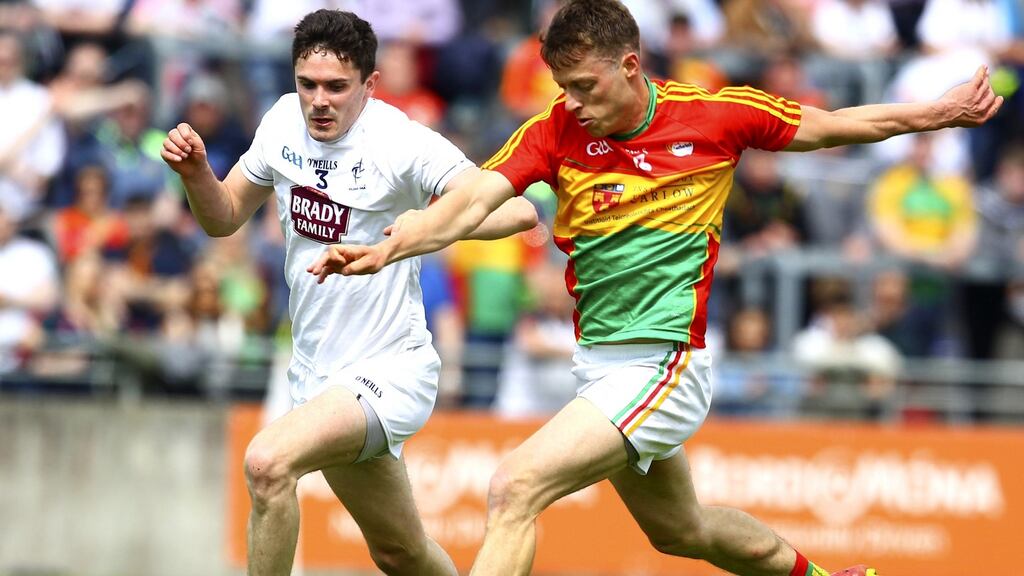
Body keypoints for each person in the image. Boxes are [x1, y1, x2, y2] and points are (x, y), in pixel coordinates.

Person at [308, 1, 1001, 574]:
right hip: (600, 368)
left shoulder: (715, 114)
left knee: (514, 487)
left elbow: (832, 126)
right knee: (681, 531)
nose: (573, 103)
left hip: (666, 363)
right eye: (563, 87)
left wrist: (935, 114)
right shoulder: (553, 132)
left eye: (585, 86)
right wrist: (393, 245)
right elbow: (470, 201)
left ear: (631, 66)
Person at [160, 9, 537, 576]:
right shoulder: (281, 122)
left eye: (336, 87)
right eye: (307, 84)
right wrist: (196, 175)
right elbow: (225, 216)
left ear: (370, 84)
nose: (319, 101)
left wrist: (420, 231)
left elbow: (517, 211)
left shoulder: (401, 141)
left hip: (390, 370)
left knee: (267, 463)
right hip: (317, 377)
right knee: (400, 552)